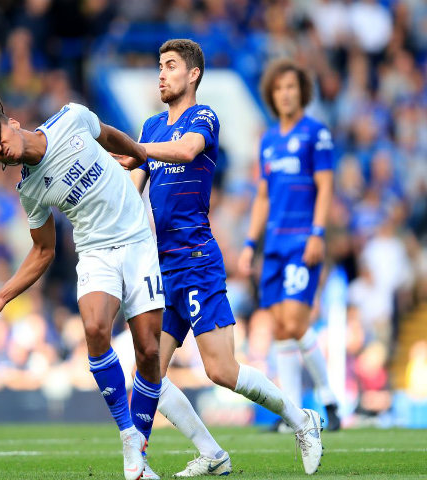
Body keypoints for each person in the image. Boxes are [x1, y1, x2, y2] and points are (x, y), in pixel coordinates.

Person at [116, 39, 324, 477]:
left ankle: (300, 418)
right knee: (148, 372)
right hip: (161, 266)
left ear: (192, 74)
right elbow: (131, 192)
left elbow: (187, 150)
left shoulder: (202, 117)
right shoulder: (151, 126)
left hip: (196, 259)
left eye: (170, 66)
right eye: (159, 66)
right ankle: (213, 454)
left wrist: (138, 151)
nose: (161, 73)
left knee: (221, 370)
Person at [0, 101, 164, 480]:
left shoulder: (71, 117)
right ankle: (127, 435)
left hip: (138, 240)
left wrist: (139, 155)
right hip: (95, 252)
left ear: (13, 122)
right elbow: (44, 250)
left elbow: (106, 134)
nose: (1, 149)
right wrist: (3, 295)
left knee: (149, 350)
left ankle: (140, 449)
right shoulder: (30, 190)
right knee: (93, 329)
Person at [237, 58, 341, 432]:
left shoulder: (316, 133)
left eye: (291, 87)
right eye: (279, 88)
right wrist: (250, 243)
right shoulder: (268, 139)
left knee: (296, 322)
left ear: (302, 93)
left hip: (302, 240)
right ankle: (294, 417)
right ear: (271, 94)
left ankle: (329, 397)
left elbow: (326, 186)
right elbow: (262, 197)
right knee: (280, 328)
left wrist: (317, 233)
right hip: (275, 244)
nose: (285, 93)